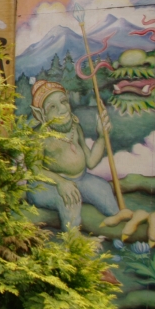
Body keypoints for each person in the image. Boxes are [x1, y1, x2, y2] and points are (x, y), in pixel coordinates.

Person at [26, 81, 120, 231]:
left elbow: (91, 162)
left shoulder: (75, 128)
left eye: (63, 101)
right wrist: (60, 182)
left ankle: (118, 226)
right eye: (52, 107)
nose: (62, 109)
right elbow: (35, 170)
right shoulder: (38, 137)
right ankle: (73, 237)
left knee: (103, 189)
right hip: (46, 185)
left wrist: (102, 137)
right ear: (40, 115)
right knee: (69, 199)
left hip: (80, 180)